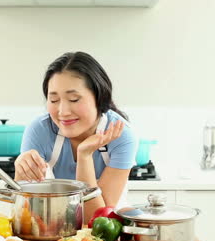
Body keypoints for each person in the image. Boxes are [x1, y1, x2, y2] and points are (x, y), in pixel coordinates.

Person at [15, 51, 138, 223]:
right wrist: (22, 171)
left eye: (74, 99)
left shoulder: (121, 134)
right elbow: (26, 212)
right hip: (54, 220)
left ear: (99, 97)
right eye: (54, 100)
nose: (63, 112)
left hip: (104, 226)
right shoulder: (39, 130)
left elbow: (96, 219)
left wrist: (84, 155)